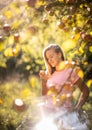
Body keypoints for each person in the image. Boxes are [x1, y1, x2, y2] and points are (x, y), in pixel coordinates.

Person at [39, 44, 90, 130]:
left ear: (59, 54)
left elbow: (85, 90)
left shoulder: (69, 72)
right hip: (49, 114)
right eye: (47, 59)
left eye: (51, 56)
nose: (49, 60)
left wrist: (78, 107)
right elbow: (45, 96)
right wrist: (43, 82)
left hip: (64, 114)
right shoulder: (48, 74)